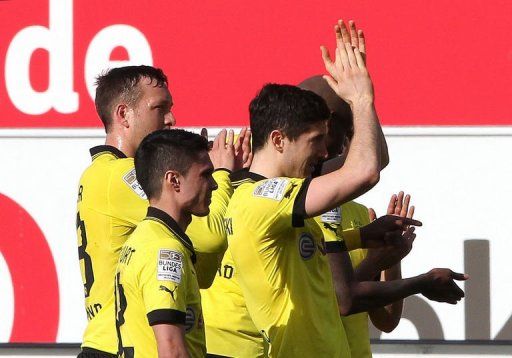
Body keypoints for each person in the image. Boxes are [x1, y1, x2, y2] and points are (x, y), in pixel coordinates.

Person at [224, 19, 425, 357]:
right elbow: (365, 171)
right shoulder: (261, 199)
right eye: (316, 141)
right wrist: (361, 98)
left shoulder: (277, 203)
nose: (325, 153)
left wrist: (361, 238)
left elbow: (370, 164)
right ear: (278, 140)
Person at [76, 65, 246, 357]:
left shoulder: (102, 174)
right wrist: (220, 174)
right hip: (118, 344)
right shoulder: (120, 175)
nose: (171, 118)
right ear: (123, 114)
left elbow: (201, 274)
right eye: (160, 108)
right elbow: (212, 235)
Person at [115, 129, 215, 357]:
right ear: (174, 180)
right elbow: (172, 351)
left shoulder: (144, 237)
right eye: (206, 174)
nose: (214, 184)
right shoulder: (165, 250)